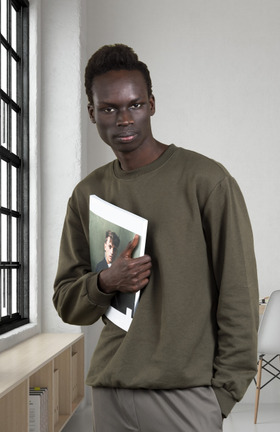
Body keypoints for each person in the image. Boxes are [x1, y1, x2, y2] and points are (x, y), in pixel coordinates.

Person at [53, 44, 259, 432]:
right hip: (110, 390)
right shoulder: (88, 194)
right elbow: (67, 302)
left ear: (151, 104)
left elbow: (239, 293)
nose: (123, 119)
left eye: (134, 105)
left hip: (186, 396)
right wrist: (104, 282)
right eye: (109, 108)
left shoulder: (207, 181)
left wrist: (221, 396)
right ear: (91, 113)